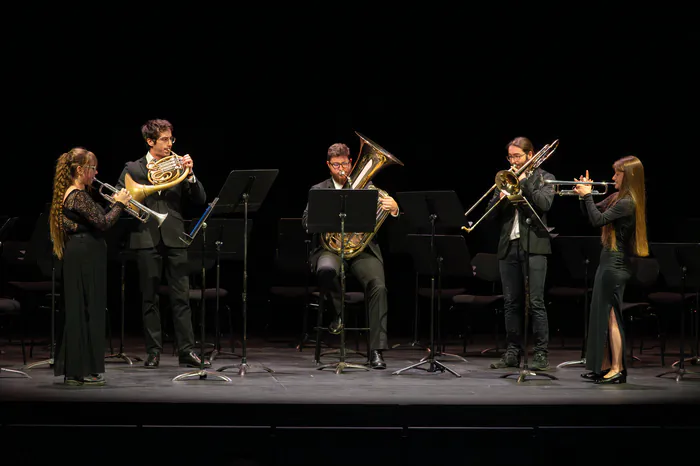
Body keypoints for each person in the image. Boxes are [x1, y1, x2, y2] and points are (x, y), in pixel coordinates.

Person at [116, 119, 209, 368]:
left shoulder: (179, 166)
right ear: (150, 141)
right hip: (145, 237)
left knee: (182, 297)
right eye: (165, 139)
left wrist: (190, 175)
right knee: (150, 299)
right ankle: (153, 352)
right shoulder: (132, 169)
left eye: (171, 139)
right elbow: (119, 199)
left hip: (175, 235)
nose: (170, 144)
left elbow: (200, 199)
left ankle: (187, 351)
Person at [301, 142, 399, 370]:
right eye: (336, 165)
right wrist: (321, 215)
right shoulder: (319, 190)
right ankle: (339, 312)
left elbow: (388, 221)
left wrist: (393, 209)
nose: (341, 169)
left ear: (352, 162)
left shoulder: (369, 189)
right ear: (328, 165)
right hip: (330, 249)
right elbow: (306, 222)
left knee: (379, 287)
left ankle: (376, 350)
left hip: (360, 251)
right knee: (326, 270)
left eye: (345, 164)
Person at [49, 147, 132, 385]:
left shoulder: (74, 195)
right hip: (85, 256)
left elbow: (95, 221)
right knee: (86, 312)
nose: (96, 172)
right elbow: (104, 223)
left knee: (83, 311)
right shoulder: (78, 196)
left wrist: (113, 206)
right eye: (92, 168)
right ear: (79, 170)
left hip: (83, 254)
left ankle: (80, 370)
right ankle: (80, 371)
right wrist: (121, 203)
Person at [573, 157, 648, 384]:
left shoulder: (628, 203)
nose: (613, 177)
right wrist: (583, 197)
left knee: (612, 317)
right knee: (603, 317)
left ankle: (617, 368)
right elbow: (592, 213)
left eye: (617, 173)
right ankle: (604, 365)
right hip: (607, 263)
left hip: (615, 266)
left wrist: (587, 194)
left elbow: (598, 220)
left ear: (629, 176)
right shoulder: (618, 197)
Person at [487, 137, 556, 371]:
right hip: (509, 246)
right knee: (511, 303)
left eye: (517, 156)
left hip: (534, 245)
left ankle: (540, 353)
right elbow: (489, 216)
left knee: (536, 301)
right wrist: (500, 196)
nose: (514, 161)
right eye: (510, 156)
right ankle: (512, 353)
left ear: (530, 155)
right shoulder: (505, 180)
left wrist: (524, 183)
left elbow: (544, 204)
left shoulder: (546, 177)